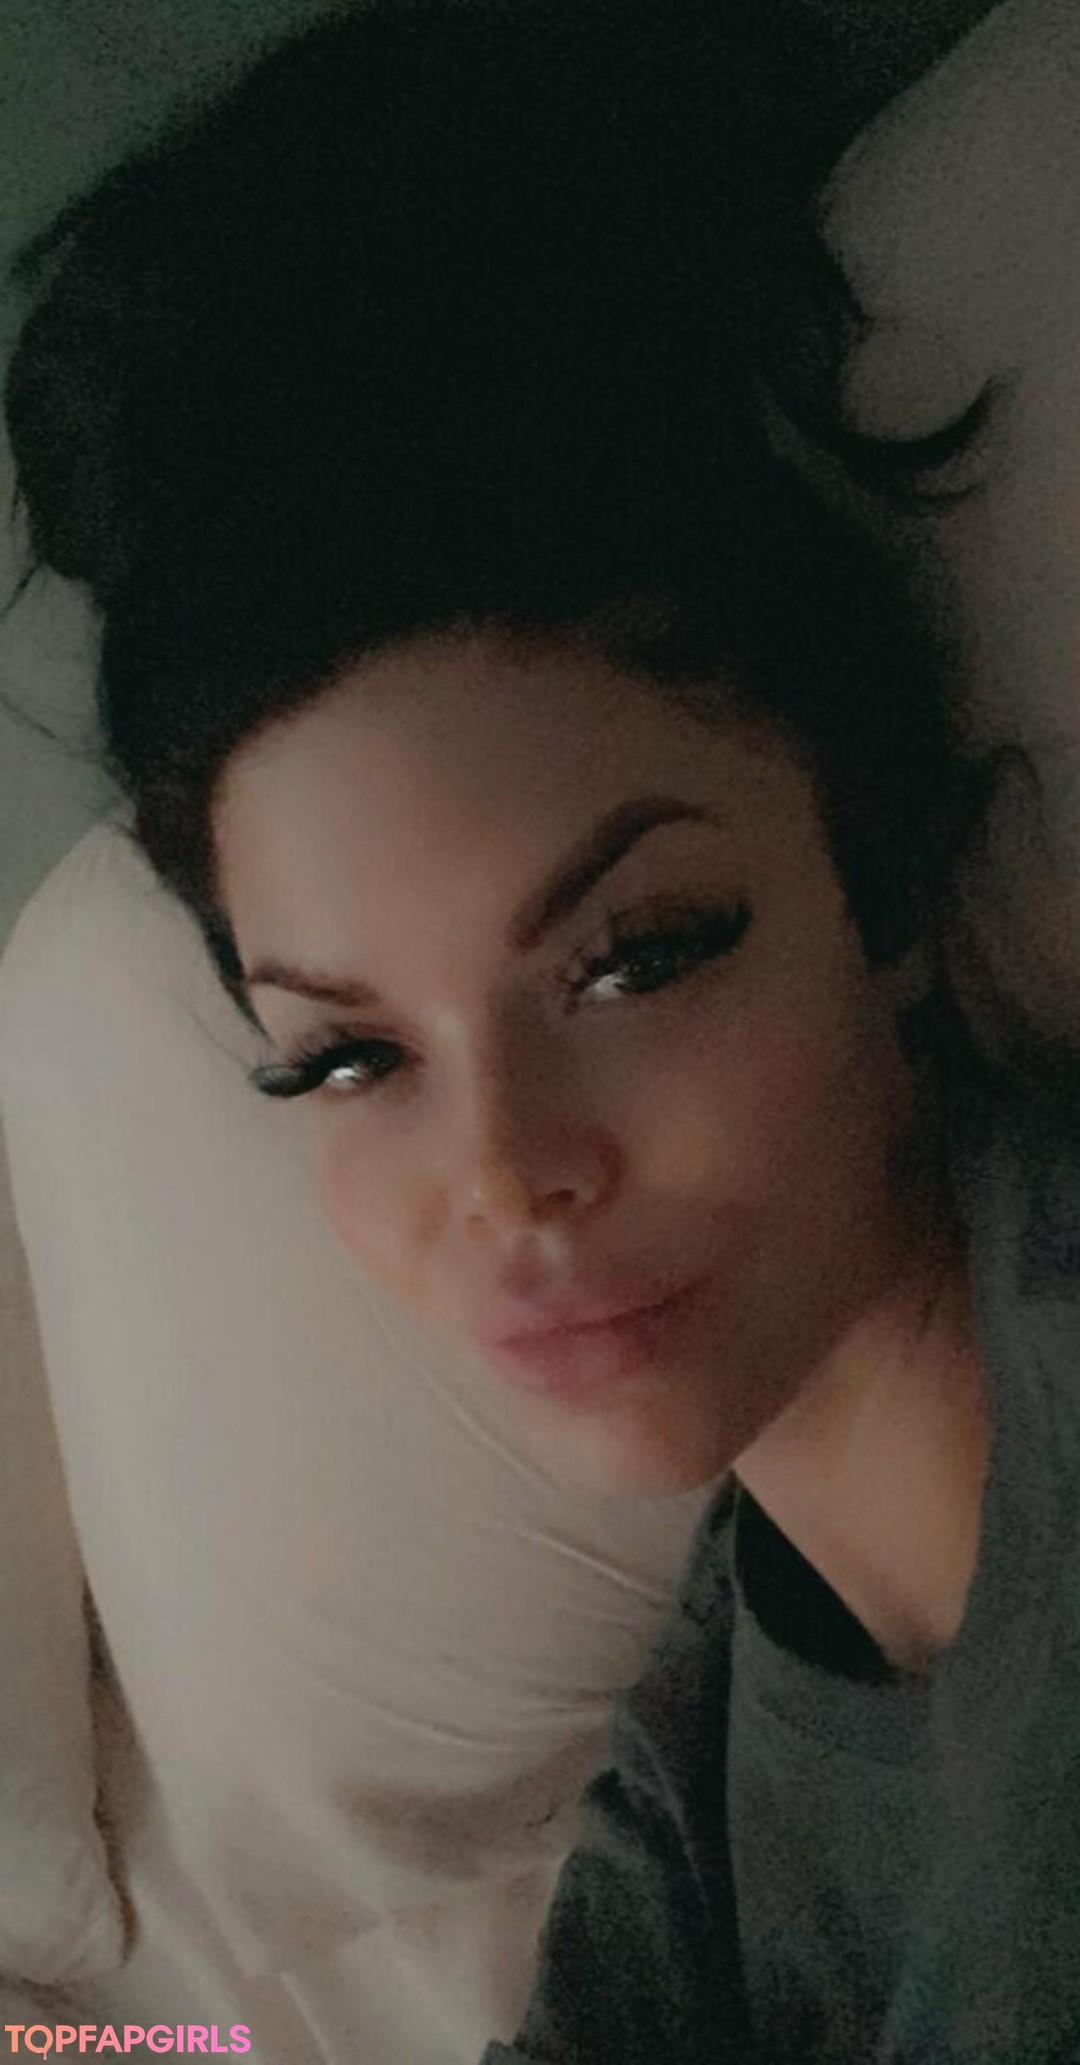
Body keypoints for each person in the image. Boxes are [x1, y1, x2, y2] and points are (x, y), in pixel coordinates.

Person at [5, 3, 1080, 2059]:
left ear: (879, 892)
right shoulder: (712, 1714)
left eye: (634, 955)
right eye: (349, 1057)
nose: (506, 1172)